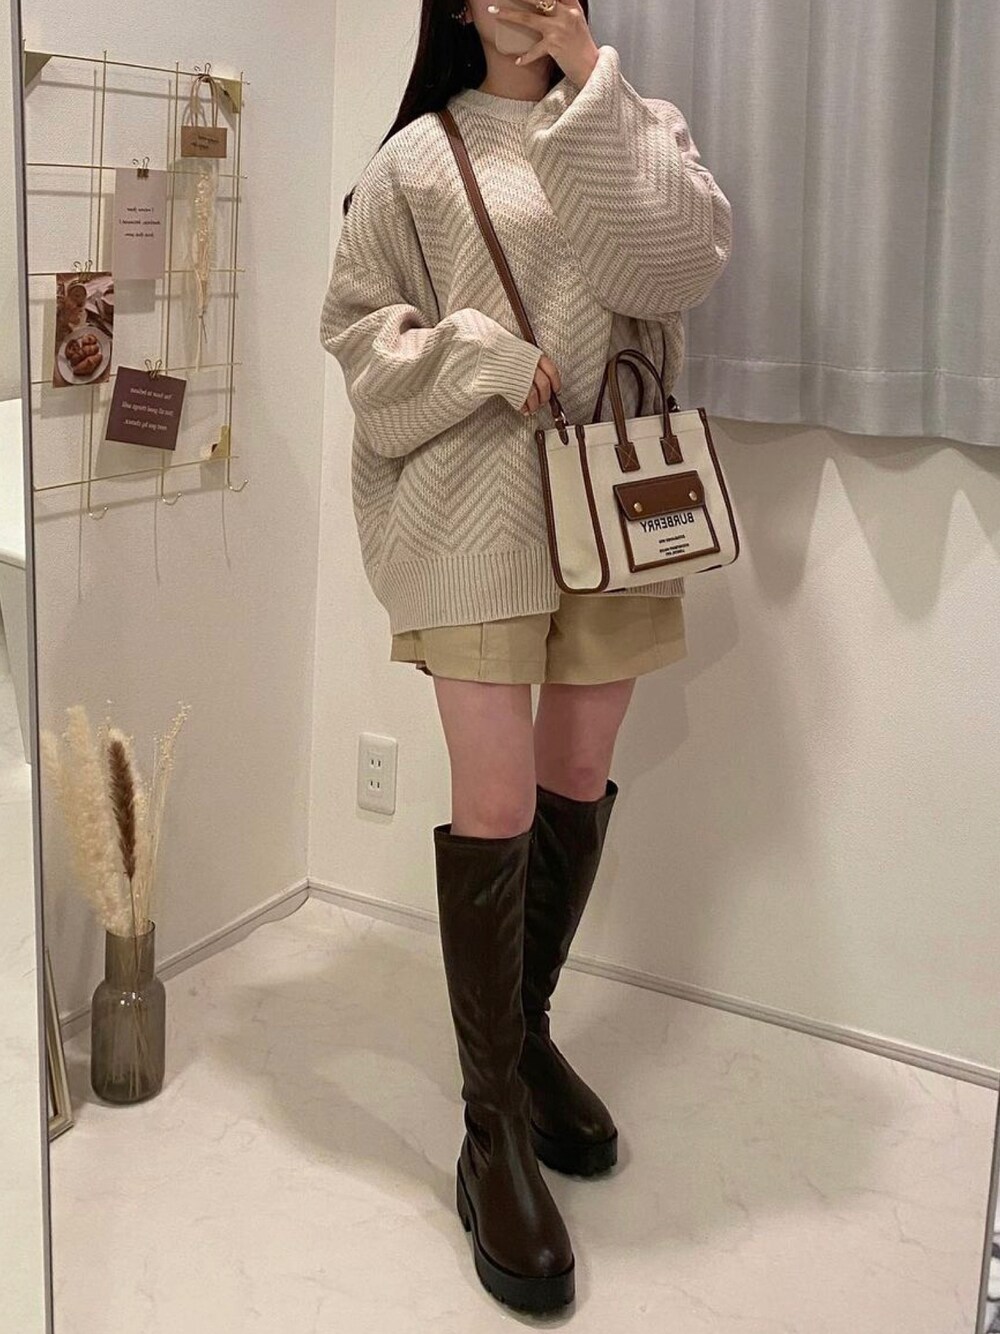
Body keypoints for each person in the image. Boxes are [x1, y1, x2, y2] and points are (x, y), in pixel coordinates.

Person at [320, 0, 732, 1313]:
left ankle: (528, 1035)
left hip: (618, 507)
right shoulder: (414, 159)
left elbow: (680, 265)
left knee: (578, 774)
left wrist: (588, 83)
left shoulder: (634, 124)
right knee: (494, 802)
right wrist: (480, 356)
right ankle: (490, 1119)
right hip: (470, 514)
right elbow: (359, 339)